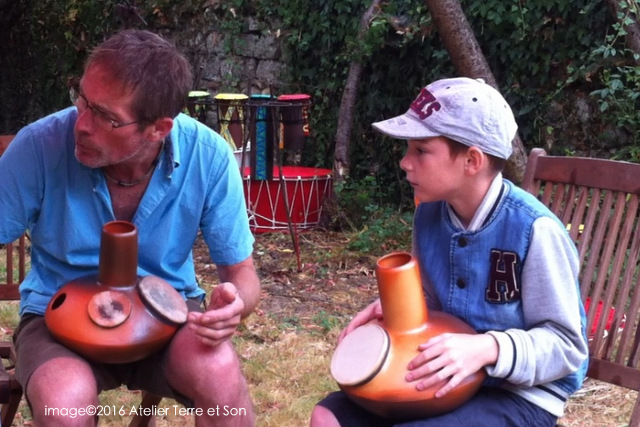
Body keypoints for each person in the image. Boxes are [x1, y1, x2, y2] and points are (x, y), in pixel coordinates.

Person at [0, 29, 260, 426]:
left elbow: (243, 278)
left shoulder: (209, 157)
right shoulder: (39, 146)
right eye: (81, 100)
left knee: (220, 376)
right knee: (63, 407)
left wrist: (235, 304)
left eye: (105, 116)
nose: (81, 125)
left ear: (158, 129)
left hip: (168, 312)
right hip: (56, 314)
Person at [311, 77, 589, 426]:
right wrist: (403, 308)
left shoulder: (534, 231)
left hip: (519, 394)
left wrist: (487, 348)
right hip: (445, 378)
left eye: (421, 150)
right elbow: (434, 303)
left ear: (472, 161)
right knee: (328, 416)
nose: (404, 162)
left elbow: (566, 346)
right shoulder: (428, 214)